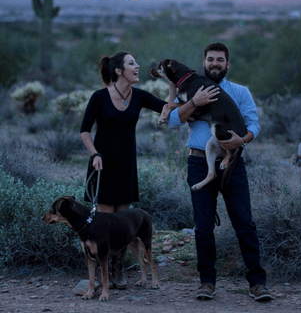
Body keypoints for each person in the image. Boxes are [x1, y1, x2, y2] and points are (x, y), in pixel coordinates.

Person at [168, 42, 272, 302]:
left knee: (244, 223)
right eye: (211, 59)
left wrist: (243, 140)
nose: (215, 63)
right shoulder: (193, 88)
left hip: (232, 162)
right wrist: (194, 101)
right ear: (204, 62)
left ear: (227, 64)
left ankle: (257, 283)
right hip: (198, 162)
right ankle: (207, 283)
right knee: (203, 227)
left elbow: (253, 125)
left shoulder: (239, 91)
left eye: (220, 60)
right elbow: (172, 121)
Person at [80, 51, 168, 289]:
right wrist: (94, 154)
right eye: (132, 63)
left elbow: (167, 108)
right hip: (102, 165)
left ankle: (118, 270)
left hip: (127, 167)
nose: (137, 66)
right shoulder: (99, 97)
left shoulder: (139, 96)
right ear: (119, 71)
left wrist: (174, 85)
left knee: (123, 224)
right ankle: (103, 272)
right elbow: (85, 131)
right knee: (105, 222)